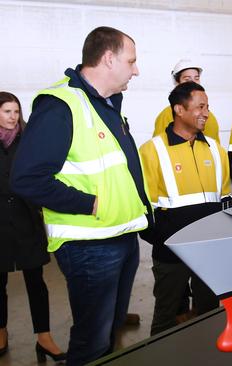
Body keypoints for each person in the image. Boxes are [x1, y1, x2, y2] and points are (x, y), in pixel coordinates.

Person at [10, 27, 151, 365]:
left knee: (109, 334)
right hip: (90, 245)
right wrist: (89, 203)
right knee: (91, 343)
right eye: (131, 61)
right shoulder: (61, 105)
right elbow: (27, 178)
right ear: (108, 58)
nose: (136, 70)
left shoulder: (106, 104)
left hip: (121, 236)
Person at [139, 81, 232, 335]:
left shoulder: (216, 150)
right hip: (171, 252)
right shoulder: (151, 151)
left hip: (209, 251)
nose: (206, 113)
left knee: (210, 313)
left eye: (208, 107)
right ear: (179, 110)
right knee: (166, 316)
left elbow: (225, 199)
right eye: (200, 106)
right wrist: (162, 240)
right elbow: (145, 207)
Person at [0, 92, 66, 362]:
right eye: (7, 111)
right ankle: (1, 330)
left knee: (36, 282)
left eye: (16, 111)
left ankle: (44, 337)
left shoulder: (28, 141)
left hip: (27, 220)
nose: (13, 117)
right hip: (0, 223)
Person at [153, 59, 221, 144]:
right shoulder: (165, 116)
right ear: (177, 83)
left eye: (196, 78)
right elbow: (158, 147)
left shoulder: (209, 118)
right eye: (187, 79)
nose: (193, 83)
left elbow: (214, 150)